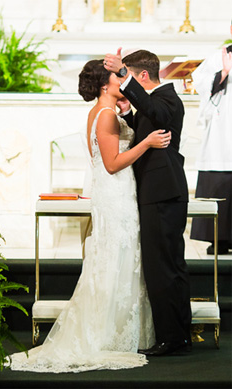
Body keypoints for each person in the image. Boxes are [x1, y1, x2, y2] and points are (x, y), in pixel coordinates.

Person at [10, 59, 170, 372]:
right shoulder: (105, 114)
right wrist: (148, 142)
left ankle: (118, 329)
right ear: (103, 84)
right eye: (116, 76)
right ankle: (108, 334)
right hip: (116, 194)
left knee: (117, 258)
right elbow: (112, 163)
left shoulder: (104, 111)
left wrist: (128, 113)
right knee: (116, 258)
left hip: (116, 193)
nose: (121, 81)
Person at [105, 49, 191, 356]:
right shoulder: (153, 103)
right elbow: (147, 119)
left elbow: (158, 114)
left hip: (163, 193)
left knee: (164, 268)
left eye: (128, 74)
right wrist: (129, 112)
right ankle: (176, 334)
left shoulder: (168, 98)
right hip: (159, 193)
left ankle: (174, 337)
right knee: (163, 266)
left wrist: (124, 78)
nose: (122, 80)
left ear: (142, 76)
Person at [190, 25, 232, 255]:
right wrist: (223, 73)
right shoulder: (220, 56)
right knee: (220, 181)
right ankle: (219, 239)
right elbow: (200, 81)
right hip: (222, 130)